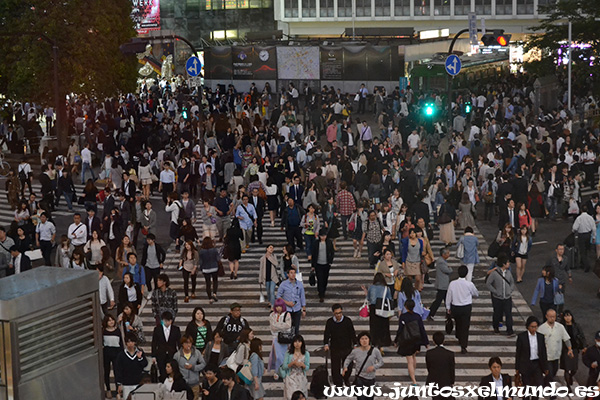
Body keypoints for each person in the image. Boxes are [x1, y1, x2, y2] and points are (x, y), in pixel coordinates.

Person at [538, 309, 574, 394]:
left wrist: (570, 349)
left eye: (554, 317)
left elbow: (566, 339)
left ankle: (544, 383)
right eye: (550, 317)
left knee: (553, 372)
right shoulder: (541, 329)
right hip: (546, 356)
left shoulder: (560, 327)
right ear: (546, 317)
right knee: (550, 374)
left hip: (556, 355)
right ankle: (551, 392)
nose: (552, 319)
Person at [394, 299, 429, 385]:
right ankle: (412, 372)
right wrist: (426, 342)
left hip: (407, 340)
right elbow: (422, 329)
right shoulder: (417, 316)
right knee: (413, 357)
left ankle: (414, 380)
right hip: (416, 340)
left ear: (405, 307)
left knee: (409, 360)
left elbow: (400, 330)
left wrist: (396, 340)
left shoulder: (403, 317)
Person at [446, 265, 479, 353]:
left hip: (455, 306)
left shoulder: (452, 283)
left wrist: (448, 307)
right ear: (467, 273)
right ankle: (463, 345)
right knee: (465, 326)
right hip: (466, 307)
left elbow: (448, 296)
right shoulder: (469, 284)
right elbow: (476, 293)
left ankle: (458, 336)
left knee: (458, 322)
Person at [342, 332, 384, 400]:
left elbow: (381, 362)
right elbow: (348, 358)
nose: (364, 341)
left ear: (369, 340)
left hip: (371, 378)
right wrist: (345, 367)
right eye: (362, 339)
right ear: (359, 341)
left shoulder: (375, 351)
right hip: (360, 378)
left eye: (366, 339)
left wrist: (374, 367)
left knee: (370, 398)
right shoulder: (355, 351)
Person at [323, 303, 356, 386]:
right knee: (335, 367)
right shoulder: (330, 322)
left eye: (340, 313)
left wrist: (355, 344)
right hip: (335, 348)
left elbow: (352, 333)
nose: (339, 315)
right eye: (337, 313)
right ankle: (338, 383)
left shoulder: (347, 321)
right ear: (333, 313)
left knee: (348, 365)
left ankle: (346, 378)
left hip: (347, 347)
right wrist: (326, 344)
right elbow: (327, 334)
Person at [515, 316, 548, 399]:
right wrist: (517, 368)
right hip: (526, 364)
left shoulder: (540, 337)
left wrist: (545, 367)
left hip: (537, 364)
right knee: (527, 386)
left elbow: (543, 352)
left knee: (537, 386)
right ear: (528, 327)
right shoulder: (522, 337)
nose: (534, 329)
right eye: (532, 327)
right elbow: (518, 353)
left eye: (535, 327)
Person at [486, 253, 515, 336]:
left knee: (508, 314)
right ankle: (496, 328)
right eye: (508, 262)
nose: (509, 264)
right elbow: (488, 284)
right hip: (497, 298)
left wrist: (510, 290)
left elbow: (512, 282)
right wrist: (495, 292)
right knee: (497, 313)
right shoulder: (494, 273)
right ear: (503, 264)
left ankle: (510, 330)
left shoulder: (508, 273)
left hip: (507, 297)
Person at [361, 273, 392, 349]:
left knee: (374, 326)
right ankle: (383, 341)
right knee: (383, 326)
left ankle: (374, 341)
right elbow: (390, 299)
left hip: (373, 308)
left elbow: (369, 298)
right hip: (382, 308)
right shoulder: (386, 288)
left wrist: (365, 291)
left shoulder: (371, 288)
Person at [114, 332, 148, 400]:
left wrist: (140, 358)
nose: (130, 344)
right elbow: (118, 370)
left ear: (135, 342)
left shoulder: (139, 352)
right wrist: (119, 384)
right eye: (128, 342)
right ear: (126, 343)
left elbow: (145, 364)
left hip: (138, 383)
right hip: (126, 384)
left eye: (132, 341)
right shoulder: (121, 355)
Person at [558, 310, 587, 388]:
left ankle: (570, 376)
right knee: (567, 368)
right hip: (565, 349)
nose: (568, 318)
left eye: (569, 316)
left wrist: (584, 346)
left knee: (574, 369)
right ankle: (568, 386)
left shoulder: (576, 326)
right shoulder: (562, 326)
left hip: (574, 348)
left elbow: (582, 336)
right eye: (566, 316)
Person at [172, 335, 206, 400]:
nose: (188, 345)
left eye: (189, 343)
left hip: (194, 383)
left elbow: (203, 364)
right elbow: (174, 368)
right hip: (182, 384)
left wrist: (193, 367)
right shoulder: (177, 355)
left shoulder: (197, 353)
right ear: (182, 344)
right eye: (186, 343)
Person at [151, 311, 182, 381]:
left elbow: (179, 342)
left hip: (172, 354)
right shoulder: (157, 329)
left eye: (169, 320)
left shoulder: (176, 329)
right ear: (162, 320)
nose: (167, 322)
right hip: (161, 354)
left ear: (171, 321)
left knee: (173, 372)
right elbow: (154, 343)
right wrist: (153, 355)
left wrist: (180, 353)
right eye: (165, 320)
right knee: (162, 372)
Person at [276, 267, 306, 335]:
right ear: (288, 274)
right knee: (288, 328)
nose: (293, 274)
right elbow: (278, 296)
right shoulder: (283, 284)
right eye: (291, 273)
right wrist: (287, 303)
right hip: (287, 309)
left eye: (294, 273)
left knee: (296, 328)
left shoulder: (299, 284)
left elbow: (302, 296)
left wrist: (304, 309)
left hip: (297, 309)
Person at [426, 332, 455, 400]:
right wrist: (452, 381)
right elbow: (452, 369)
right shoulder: (450, 354)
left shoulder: (429, 353)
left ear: (433, 341)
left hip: (433, 380)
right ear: (443, 341)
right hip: (445, 380)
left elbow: (429, 367)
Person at [268, 298, 293, 380]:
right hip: (275, 338)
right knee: (277, 356)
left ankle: (284, 371)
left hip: (285, 338)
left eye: (280, 306)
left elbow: (288, 326)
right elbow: (272, 327)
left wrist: (277, 325)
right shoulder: (272, 315)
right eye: (277, 306)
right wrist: (282, 326)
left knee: (285, 356)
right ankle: (277, 371)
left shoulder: (287, 314)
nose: (279, 308)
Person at [280, 335, 310, 400]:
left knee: (301, 396)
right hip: (291, 377)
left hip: (301, 378)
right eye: (295, 342)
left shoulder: (306, 353)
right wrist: (292, 363)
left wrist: (302, 365)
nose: (297, 344)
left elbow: (307, 367)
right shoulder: (288, 353)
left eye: (299, 342)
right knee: (291, 396)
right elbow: (284, 366)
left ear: (302, 343)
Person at [311, 228, 335, 302]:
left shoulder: (329, 242)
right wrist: (312, 265)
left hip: (326, 264)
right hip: (318, 264)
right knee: (320, 279)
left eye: (324, 235)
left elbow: (332, 252)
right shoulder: (316, 243)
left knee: (325, 279)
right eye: (322, 236)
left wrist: (330, 261)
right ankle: (321, 294)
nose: (323, 237)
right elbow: (314, 254)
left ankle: (323, 290)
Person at [102, 314, 123, 399]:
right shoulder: (103, 331)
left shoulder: (118, 330)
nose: (111, 322)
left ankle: (118, 390)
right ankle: (108, 390)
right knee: (106, 371)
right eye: (109, 320)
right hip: (106, 353)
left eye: (112, 320)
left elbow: (121, 343)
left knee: (117, 372)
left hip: (116, 353)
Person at [429, 247, 452, 320]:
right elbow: (448, 270)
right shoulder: (441, 262)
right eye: (447, 253)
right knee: (439, 301)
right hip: (442, 285)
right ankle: (430, 313)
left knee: (446, 300)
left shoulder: (442, 260)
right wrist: (450, 268)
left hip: (443, 284)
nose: (449, 254)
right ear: (443, 254)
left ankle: (449, 314)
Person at [572, 205, 595, 271]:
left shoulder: (579, 218)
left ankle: (586, 265)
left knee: (582, 251)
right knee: (587, 250)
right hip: (588, 235)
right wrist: (593, 236)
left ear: (581, 210)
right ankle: (583, 263)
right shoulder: (590, 218)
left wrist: (573, 231)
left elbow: (574, 228)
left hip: (581, 235)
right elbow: (593, 228)